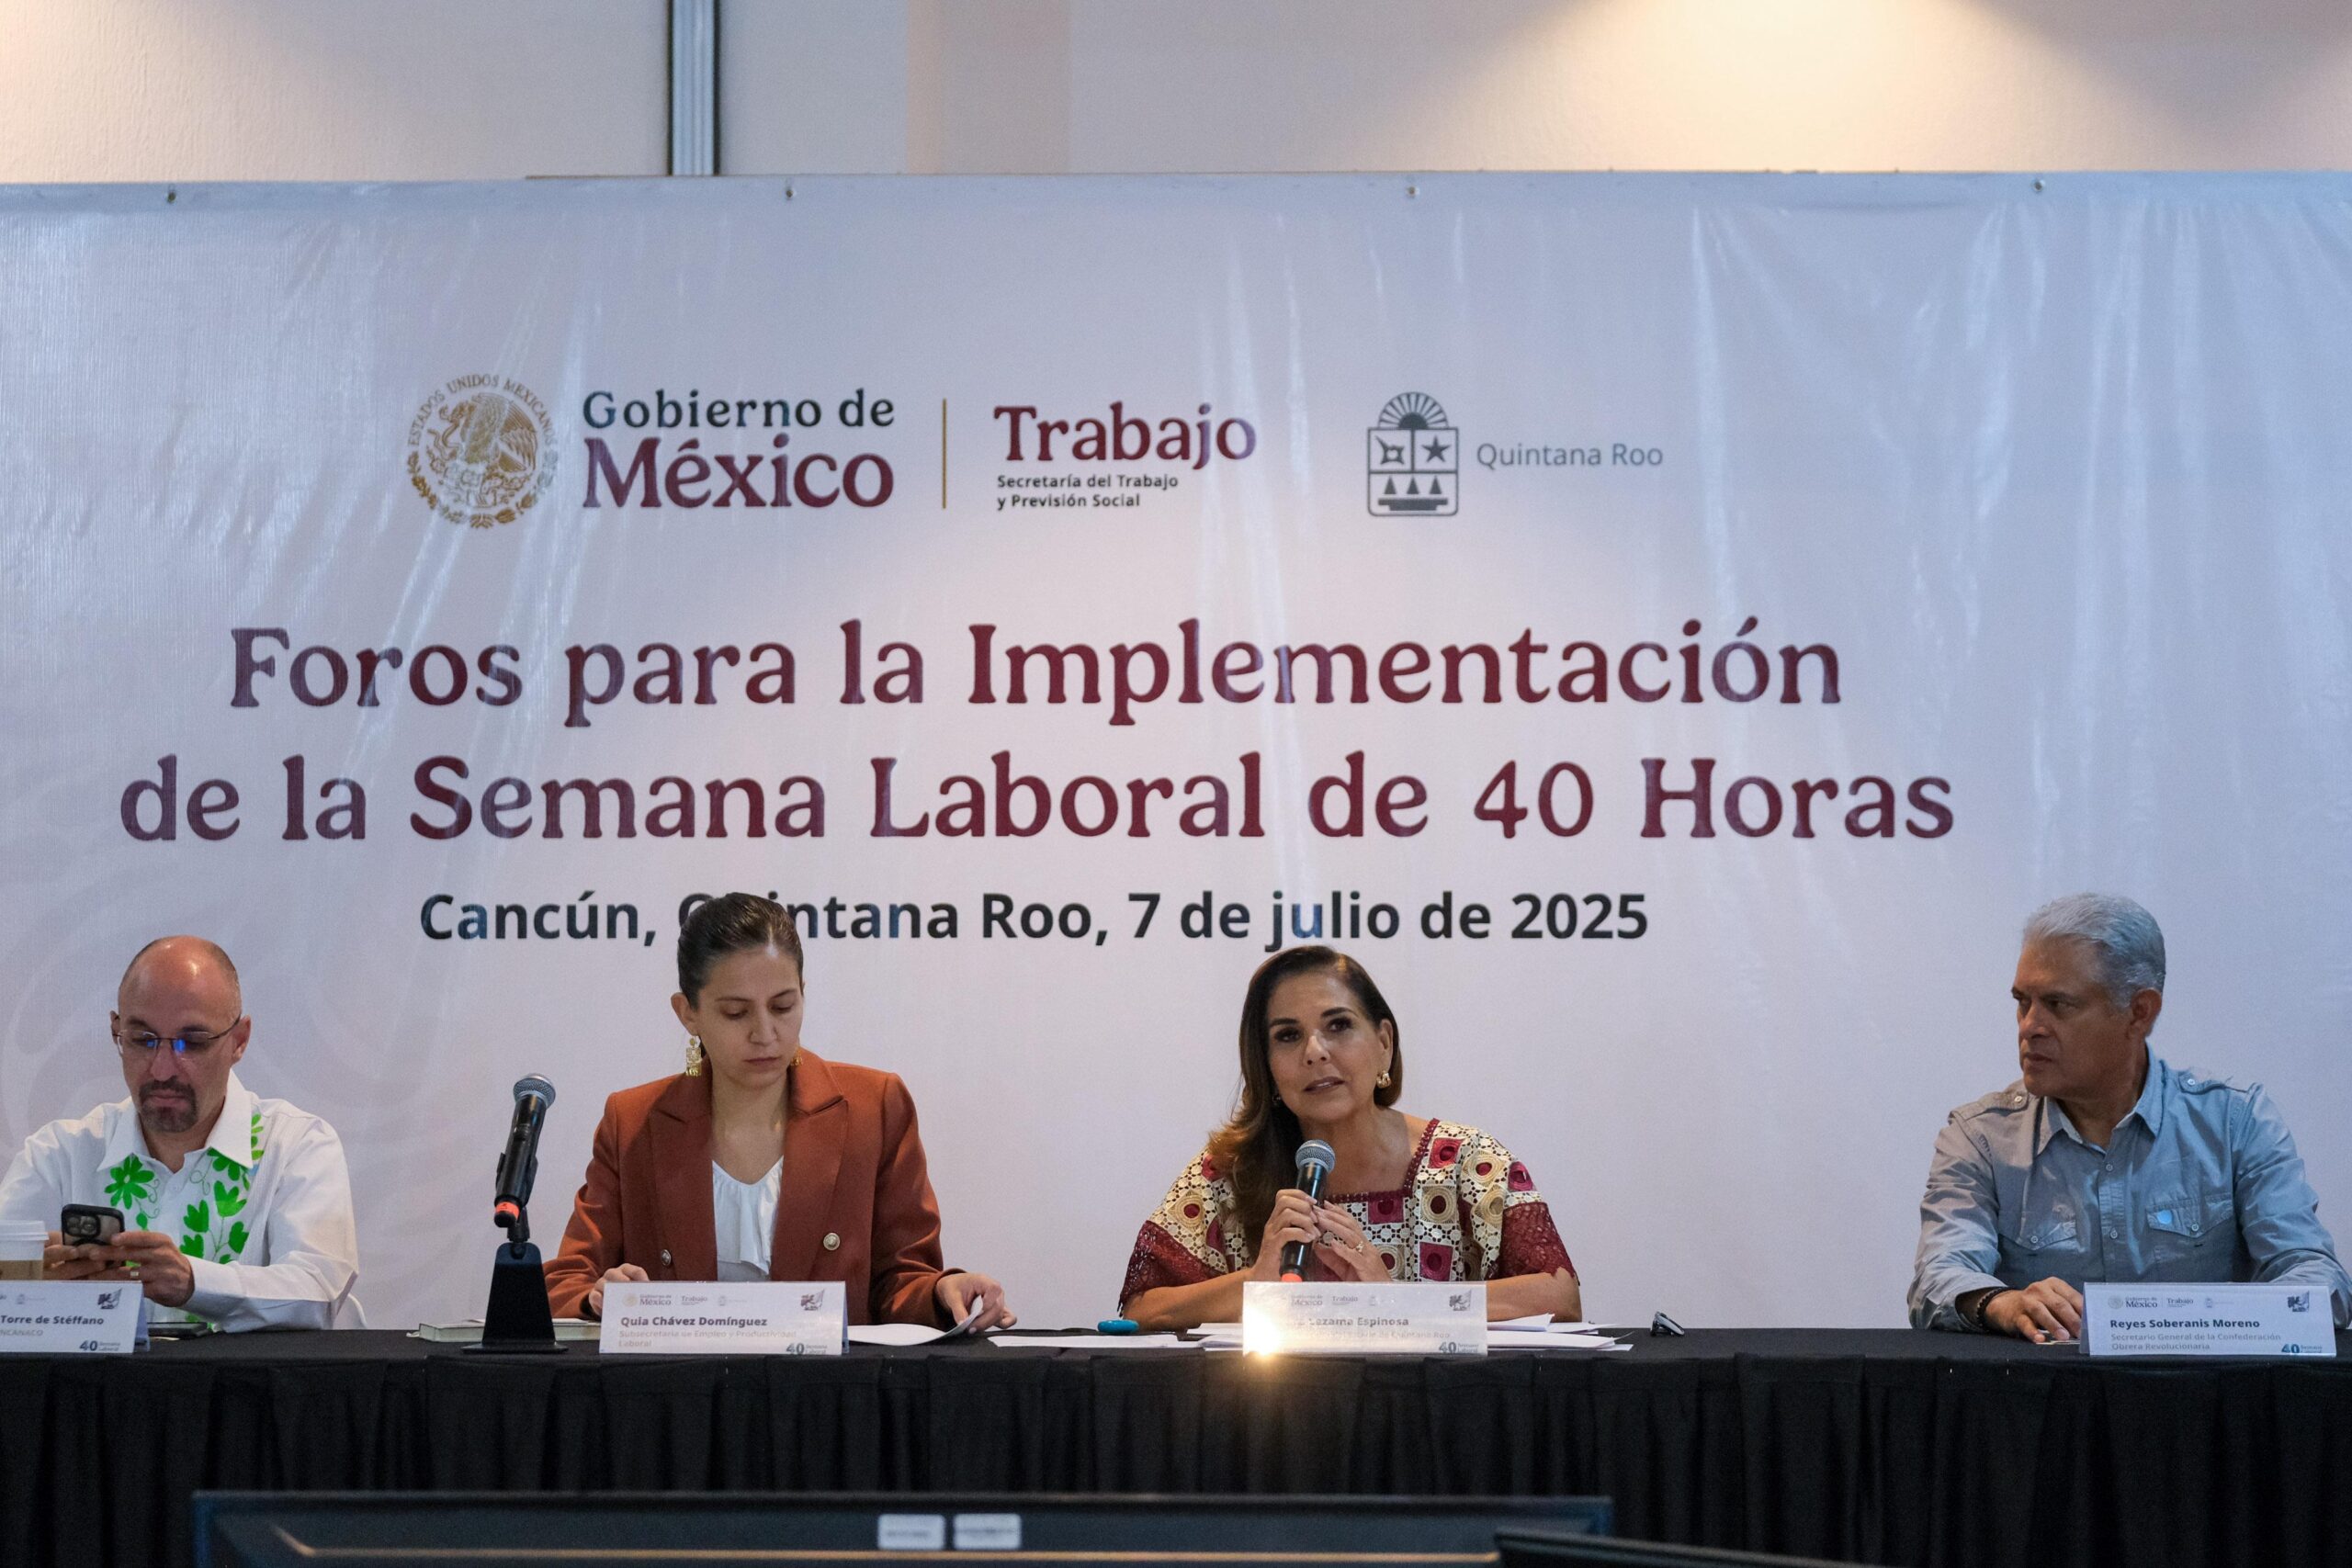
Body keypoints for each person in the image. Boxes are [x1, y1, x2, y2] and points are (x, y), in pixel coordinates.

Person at [545, 892, 1014, 1327]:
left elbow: (902, 1278)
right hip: (680, 1385)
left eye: (783, 1006)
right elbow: (565, 1282)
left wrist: (943, 1292)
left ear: (803, 993)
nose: (765, 1032)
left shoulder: (875, 1106)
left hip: (828, 1387)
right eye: (736, 1012)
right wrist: (598, 1297)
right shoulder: (633, 1121)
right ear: (688, 1013)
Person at [1911, 893, 2351, 1339]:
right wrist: (2000, 1303)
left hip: (2205, 1383)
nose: (2030, 1026)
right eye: (2023, 1001)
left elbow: (2313, 1274)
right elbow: (1940, 1275)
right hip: (2049, 1383)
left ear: (2140, 1012)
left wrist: (2213, 1321)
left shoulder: (2235, 1123)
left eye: (2058, 1004)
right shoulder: (1981, 1137)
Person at [1120, 945, 1580, 1329]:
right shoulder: (1232, 1173)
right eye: (1288, 1036)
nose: (1314, 1052)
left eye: (1338, 1025)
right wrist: (1255, 1284)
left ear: (1384, 1043)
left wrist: (1394, 1299)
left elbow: (1559, 1296)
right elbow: (1142, 1309)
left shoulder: (1465, 1162)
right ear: (1267, 1066)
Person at [0, 936, 363, 1330]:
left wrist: (193, 1282)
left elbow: (318, 1292)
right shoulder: (59, 1155)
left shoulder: (296, 1145)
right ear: (117, 1030)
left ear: (239, 1040)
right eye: (143, 1040)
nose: (162, 1070)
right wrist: (27, 1288)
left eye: (192, 1043)